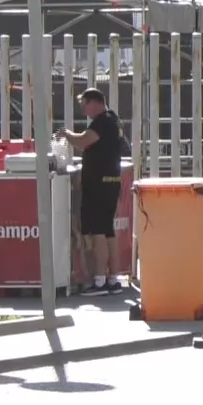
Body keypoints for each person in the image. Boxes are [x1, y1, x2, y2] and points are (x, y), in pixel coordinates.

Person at [57, 88, 125, 295]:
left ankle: (99, 280)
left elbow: (83, 141)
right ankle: (113, 278)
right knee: (108, 231)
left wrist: (66, 134)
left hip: (99, 184)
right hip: (111, 181)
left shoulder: (102, 122)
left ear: (94, 102)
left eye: (84, 104)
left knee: (98, 232)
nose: (83, 110)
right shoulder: (114, 119)